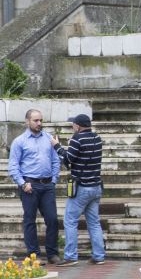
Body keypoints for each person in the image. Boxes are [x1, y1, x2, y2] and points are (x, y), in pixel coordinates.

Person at [7, 109, 62, 263]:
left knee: (52, 219)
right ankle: (34, 255)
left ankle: (52, 254)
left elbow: (56, 160)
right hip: (29, 186)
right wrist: (22, 183)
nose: (39, 123)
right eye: (36, 120)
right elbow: (13, 166)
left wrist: (54, 180)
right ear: (27, 122)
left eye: (41, 120)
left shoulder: (49, 138)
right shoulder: (19, 141)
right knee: (30, 220)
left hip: (47, 185)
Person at [51, 114, 104, 266]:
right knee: (94, 222)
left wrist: (57, 146)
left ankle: (70, 256)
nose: (72, 127)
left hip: (81, 187)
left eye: (73, 124)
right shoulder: (97, 138)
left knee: (70, 221)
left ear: (78, 126)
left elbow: (68, 160)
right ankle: (99, 256)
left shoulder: (77, 139)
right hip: (96, 186)